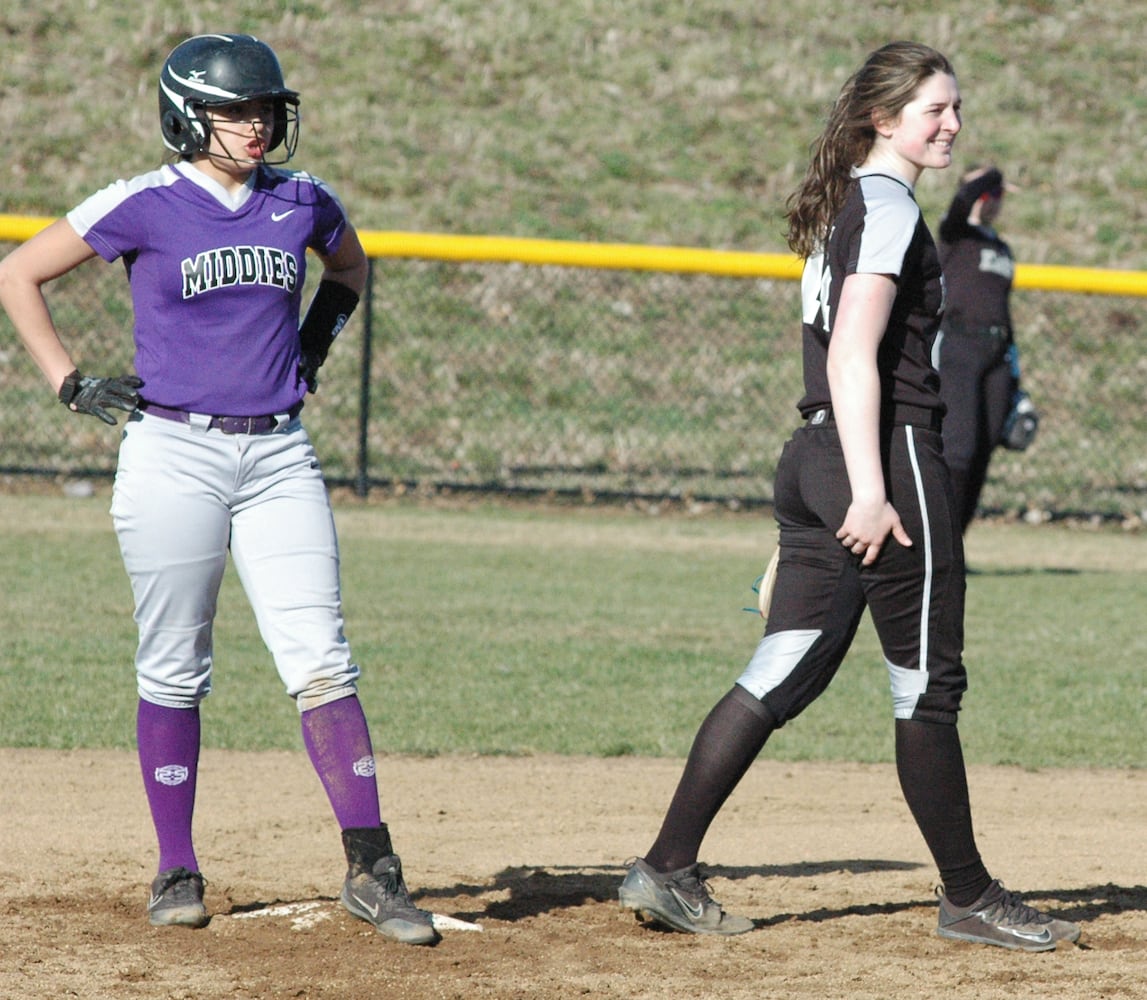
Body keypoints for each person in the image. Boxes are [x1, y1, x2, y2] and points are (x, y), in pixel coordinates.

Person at [617, 41, 1080, 952]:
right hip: (887, 455)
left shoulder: (849, 206)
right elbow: (850, 355)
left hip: (818, 454)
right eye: (931, 110)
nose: (949, 124)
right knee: (926, 686)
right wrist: (869, 492)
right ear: (881, 118)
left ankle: (666, 868)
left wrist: (828, 496)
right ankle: (969, 897)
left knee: (783, 668)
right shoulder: (885, 207)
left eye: (952, 108)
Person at [0, 33, 438, 946]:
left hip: (279, 455)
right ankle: (175, 866)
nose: (258, 124)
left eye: (266, 108)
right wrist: (69, 382)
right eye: (238, 110)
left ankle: (374, 867)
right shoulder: (145, 203)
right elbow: (18, 272)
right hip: (172, 455)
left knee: (322, 657)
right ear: (185, 116)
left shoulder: (302, 198)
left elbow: (351, 268)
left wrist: (315, 339)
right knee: (173, 664)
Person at [933, 165, 1024, 532]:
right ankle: (936, 539)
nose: (993, 200)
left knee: (982, 453)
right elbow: (962, 202)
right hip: (959, 346)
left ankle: (956, 542)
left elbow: (1003, 309)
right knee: (958, 450)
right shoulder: (955, 233)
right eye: (988, 193)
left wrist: (1017, 376)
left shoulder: (1001, 247)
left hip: (996, 353)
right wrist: (992, 178)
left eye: (998, 195)